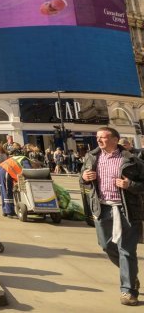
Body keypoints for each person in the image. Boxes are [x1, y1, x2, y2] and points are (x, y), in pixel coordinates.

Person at [81, 126, 144, 306]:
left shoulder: (131, 159)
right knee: (106, 245)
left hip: (127, 209)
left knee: (126, 249)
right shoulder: (92, 156)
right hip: (103, 209)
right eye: (97, 137)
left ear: (115, 140)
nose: (99, 140)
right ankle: (130, 276)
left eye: (103, 137)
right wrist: (84, 176)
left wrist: (129, 184)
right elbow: (82, 179)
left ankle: (128, 290)